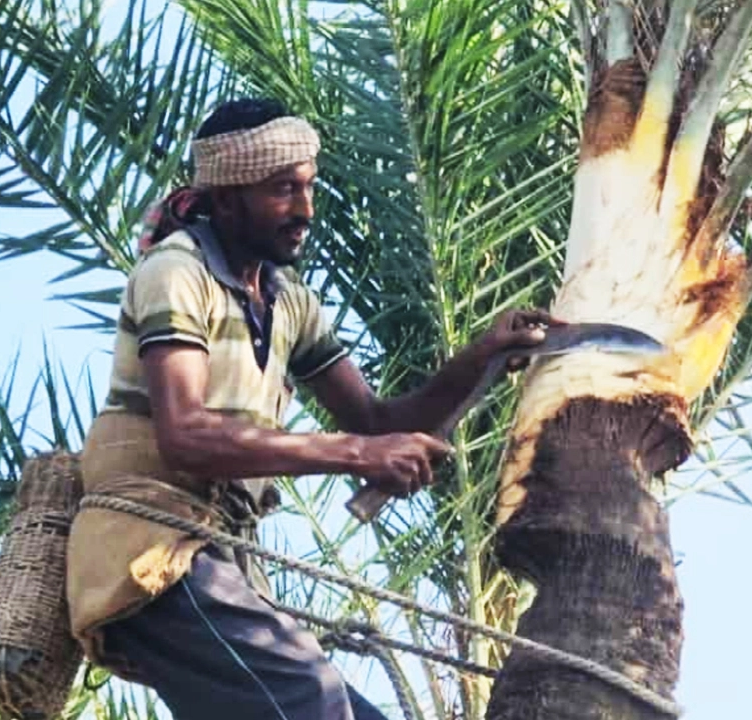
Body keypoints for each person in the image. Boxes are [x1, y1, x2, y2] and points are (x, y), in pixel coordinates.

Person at [66, 97, 551, 720]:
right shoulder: (175, 272)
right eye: (282, 191)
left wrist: (483, 355)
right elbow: (185, 434)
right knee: (310, 701)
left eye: (307, 188)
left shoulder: (286, 298)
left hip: (217, 564)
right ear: (227, 195)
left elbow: (376, 422)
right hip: (151, 554)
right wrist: (360, 454)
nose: (304, 210)